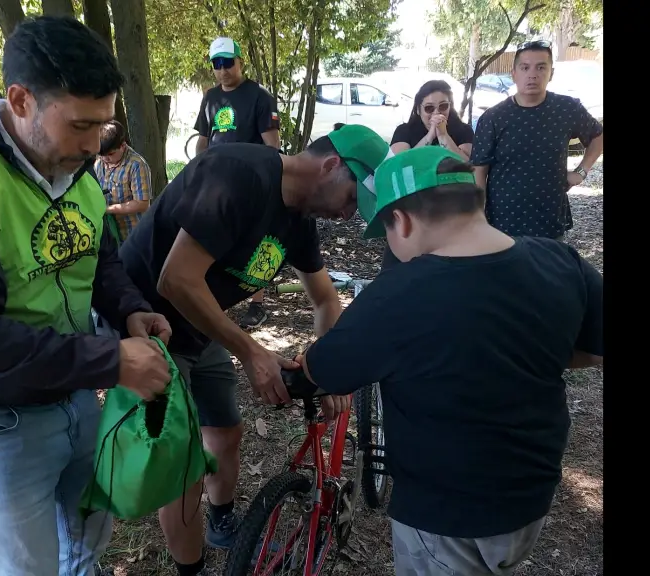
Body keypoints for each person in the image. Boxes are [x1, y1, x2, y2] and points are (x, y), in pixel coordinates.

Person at [0, 16, 173, 576]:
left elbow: (97, 258)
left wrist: (129, 310)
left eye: (104, 125)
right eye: (80, 125)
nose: (96, 145)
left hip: (73, 389)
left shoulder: (74, 164)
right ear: (20, 100)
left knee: (86, 540)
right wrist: (112, 360)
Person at [296, 146, 604, 576]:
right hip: (530, 496)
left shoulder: (399, 294)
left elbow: (324, 369)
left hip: (444, 514)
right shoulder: (560, 261)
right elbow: (593, 349)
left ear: (400, 222)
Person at [117, 124, 389, 576]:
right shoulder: (237, 174)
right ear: (330, 166)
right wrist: (251, 351)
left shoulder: (300, 218)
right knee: (182, 466)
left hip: (201, 328)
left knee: (225, 431)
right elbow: (175, 279)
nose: (348, 216)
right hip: (149, 325)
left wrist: (327, 365)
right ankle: (192, 570)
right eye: (351, 200)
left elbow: (324, 298)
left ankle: (221, 517)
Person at [470, 40, 604, 241]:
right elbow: (479, 171)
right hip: (502, 222)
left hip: (550, 221)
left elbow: (598, 136)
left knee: (550, 272)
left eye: (541, 67)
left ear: (551, 73)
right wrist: (477, 219)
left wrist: (581, 171)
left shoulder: (567, 109)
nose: (532, 74)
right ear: (514, 74)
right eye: (525, 67)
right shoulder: (493, 118)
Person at [194, 36, 282, 329]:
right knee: (215, 238)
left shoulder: (259, 96)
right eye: (217, 64)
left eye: (228, 63)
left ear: (240, 61)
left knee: (254, 241)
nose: (223, 70)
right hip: (216, 182)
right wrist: (198, 170)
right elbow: (203, 141)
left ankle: (257, 304)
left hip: (250, 182)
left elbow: (272, 146)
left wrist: (266, 182)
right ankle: (216, 298)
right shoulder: (210, 97)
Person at [382, 80, 475, 272]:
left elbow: (466, 165)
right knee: (399, 270)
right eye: (429, 108)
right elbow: (398, 164)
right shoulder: (405, 131)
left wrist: (443, 136)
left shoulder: (463, 131)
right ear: (418, 109)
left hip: (450, 212)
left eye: (443, 106)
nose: (436, 113)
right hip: (411, 210)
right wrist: (429, 136)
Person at [94, 120, 153, 242]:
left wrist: (108, 209)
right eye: (101, 155)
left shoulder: (136, 165)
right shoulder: (100, 161)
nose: (105, 159)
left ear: (123, 146)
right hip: (110, 234)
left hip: (134, 234)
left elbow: (142, 204)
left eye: (110, 154)